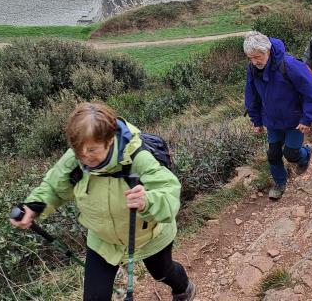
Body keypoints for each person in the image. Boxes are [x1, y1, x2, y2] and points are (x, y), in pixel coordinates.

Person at [11, 103, 196, 301]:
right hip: (103, 240)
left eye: (92, 149)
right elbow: (54, 187)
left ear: (109, 140)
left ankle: (184, 288)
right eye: (78, 149)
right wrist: (33, 206)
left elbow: (169, 192)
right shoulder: (76, 159)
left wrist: (148, 201)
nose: (84, 156)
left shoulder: (138, 157)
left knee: (162, 272)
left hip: (148, 236)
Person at [244, 31, 312, 200]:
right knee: (273, 154)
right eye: (251, 57)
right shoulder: (253, 69)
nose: (255, 61)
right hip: (272, 121)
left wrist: (307, 118)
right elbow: (252, 96)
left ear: (268, 51)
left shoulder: (290, 65)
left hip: (295, 120)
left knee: (291, 154)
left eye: (258, 56)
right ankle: (280, 183)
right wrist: (256, 120)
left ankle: (305, 154)